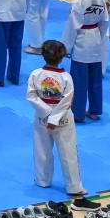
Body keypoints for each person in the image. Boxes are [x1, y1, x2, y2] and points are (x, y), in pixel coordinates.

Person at [27, 40, 84, 197]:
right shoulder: (66, 77)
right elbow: (67, 101)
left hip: (41, 117)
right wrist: (53, 118)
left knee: (42, 150)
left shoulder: (35, 74)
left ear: (43, 55)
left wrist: (46, 114)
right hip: (62, 119)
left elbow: (31, 97)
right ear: (62, 57)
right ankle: (74, 186)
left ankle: (42, 180)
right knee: (68, 152)